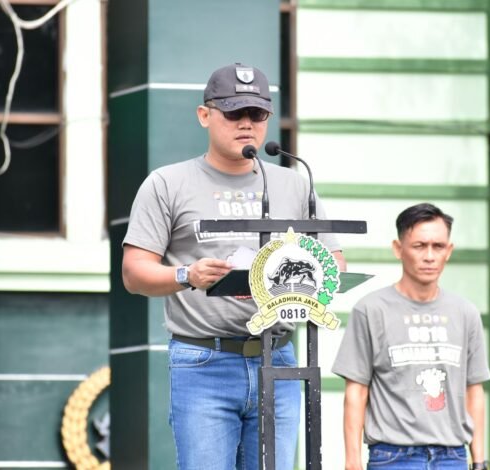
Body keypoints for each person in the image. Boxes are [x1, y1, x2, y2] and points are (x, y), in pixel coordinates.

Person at [122, 63, 345, 470]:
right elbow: (134, 272)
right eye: (233, 113)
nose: (247, 124)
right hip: (203, 359)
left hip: (278, 357)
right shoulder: (167, 183)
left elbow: (333, 263)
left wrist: (292, 275)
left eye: (256, 114)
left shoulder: (295, 184)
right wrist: (186, 276)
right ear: (204, 115)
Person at [332, 203, 490, 470]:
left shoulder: (466, 313)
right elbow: (356, 392)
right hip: (392, 457)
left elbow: (474, 390)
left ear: (448, 251)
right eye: (419, 246)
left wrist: (479, 461)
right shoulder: (371, 310)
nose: (429, 256)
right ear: (398, 248)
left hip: (453, 458)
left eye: (438, 246)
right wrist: (352, 462)